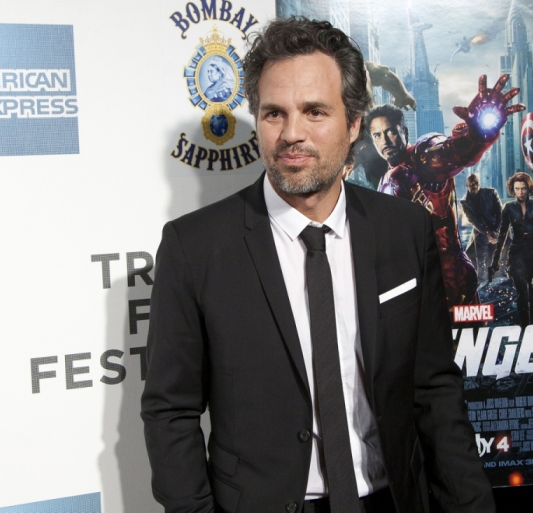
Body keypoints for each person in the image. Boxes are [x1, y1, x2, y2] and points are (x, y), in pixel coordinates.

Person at [141, 17, 496, 513]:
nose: (292, 134)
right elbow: (170, 411)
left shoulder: (405, 230)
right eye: (273, 114)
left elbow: (434, 388)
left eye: (314, 112)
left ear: (354, 124)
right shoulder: (194, 247)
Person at [367, 79, 524, 309]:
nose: (384, 140)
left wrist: (478, 133)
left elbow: (453, 153)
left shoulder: (422, 157)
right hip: (414, 291)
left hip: (451, 283)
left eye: (391, 132)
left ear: (405, 132)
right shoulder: (384, 181)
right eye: (377, 135)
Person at [490, 172, 533, 328]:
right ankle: (525, 326)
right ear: (513, 190)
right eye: (517, 189)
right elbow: (503, 234)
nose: (520, 192)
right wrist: (495, 259)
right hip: (517, 252)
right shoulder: (508, 208)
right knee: (522, 293)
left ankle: (531, 322)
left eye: (523, 188)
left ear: (529, 188)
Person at [460, 174, 502, 284]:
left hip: (496, 229)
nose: (474, 186)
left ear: (480, 183)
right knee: (478, 257)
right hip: (480, 231)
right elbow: (473, 220)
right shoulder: (464, 202)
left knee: (497, 255)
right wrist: (487, 232)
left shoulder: (491, 193)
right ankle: (482, 280)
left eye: (476, 183)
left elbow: (500, 213)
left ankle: (494, 278)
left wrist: (496, 231)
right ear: (467, 185)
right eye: (471, 184)